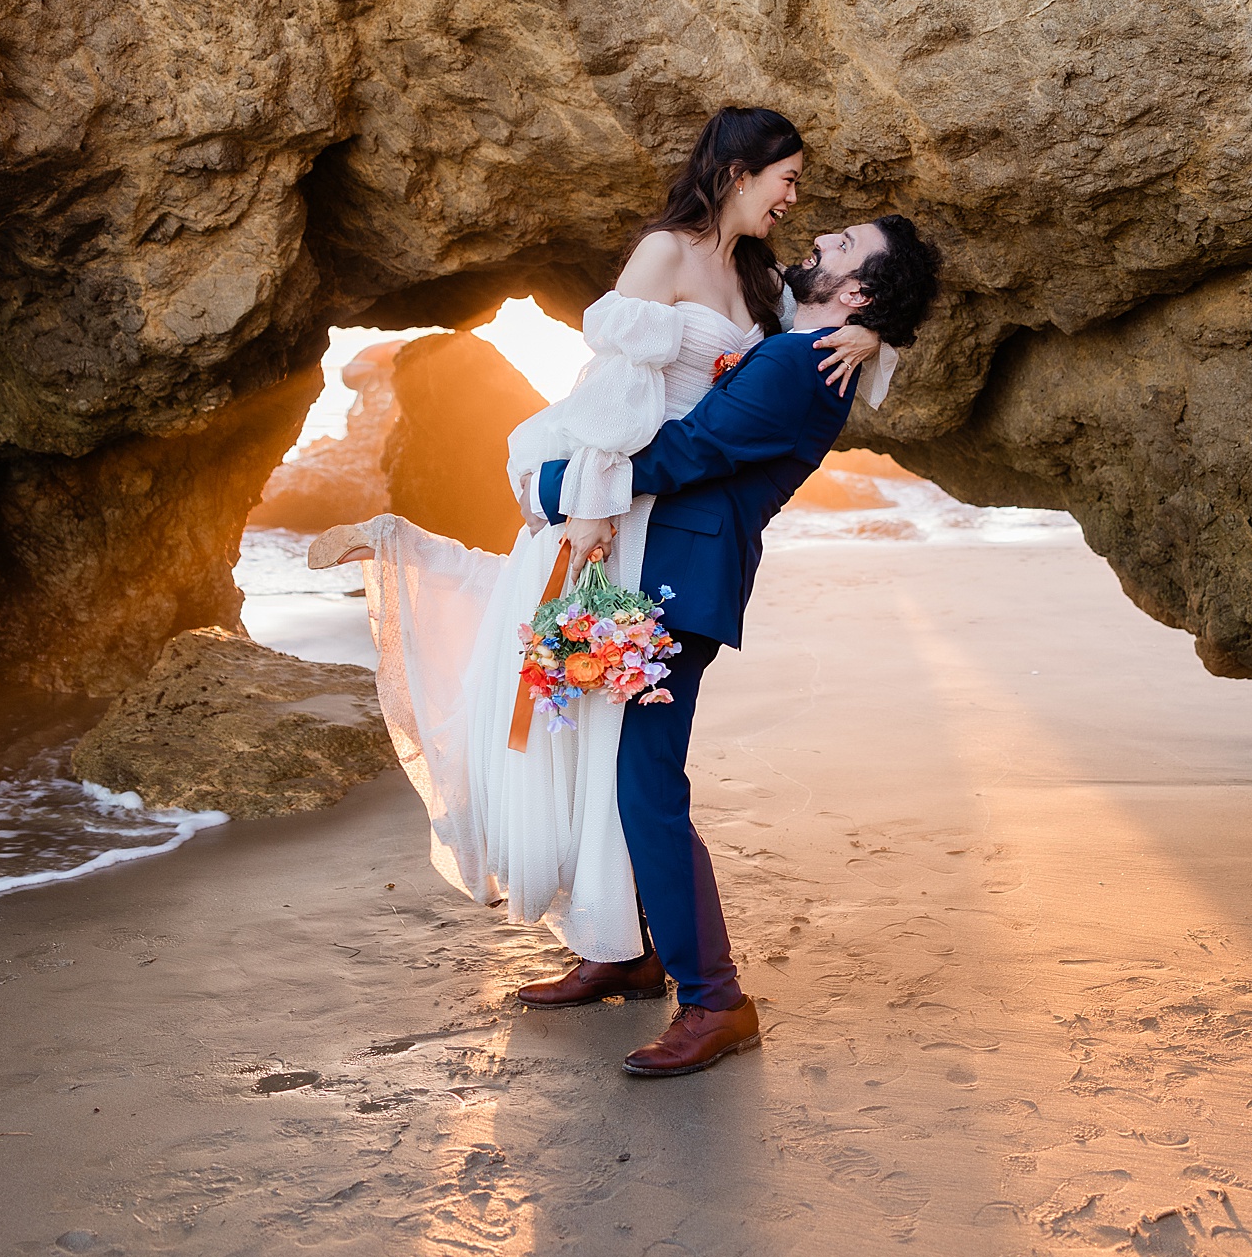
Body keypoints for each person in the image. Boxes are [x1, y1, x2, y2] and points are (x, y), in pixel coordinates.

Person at [305, 108, 893, 982]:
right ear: (740, 172)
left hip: (650, 519)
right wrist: (576, 496)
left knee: (615, 762)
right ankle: (621, 947)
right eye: (789, 178)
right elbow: (616, 387)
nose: (796, 200)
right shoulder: (667, 252)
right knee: (579, 738)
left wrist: (874, 331)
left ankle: (645, 957)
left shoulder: (764, 281)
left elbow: (799, 354)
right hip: (607, 498)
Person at [525, 211, 943, 1075]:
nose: (819, 238)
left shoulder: (800, 361)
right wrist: (874, 333)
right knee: (620, 771)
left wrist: (550, 483)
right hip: (670, 570)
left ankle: (715, 1000)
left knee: (647, 788)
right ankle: (629, 948)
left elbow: (690, 451)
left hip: (683, 581)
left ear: (859, 289)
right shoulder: (818, 343)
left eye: (843, 247)